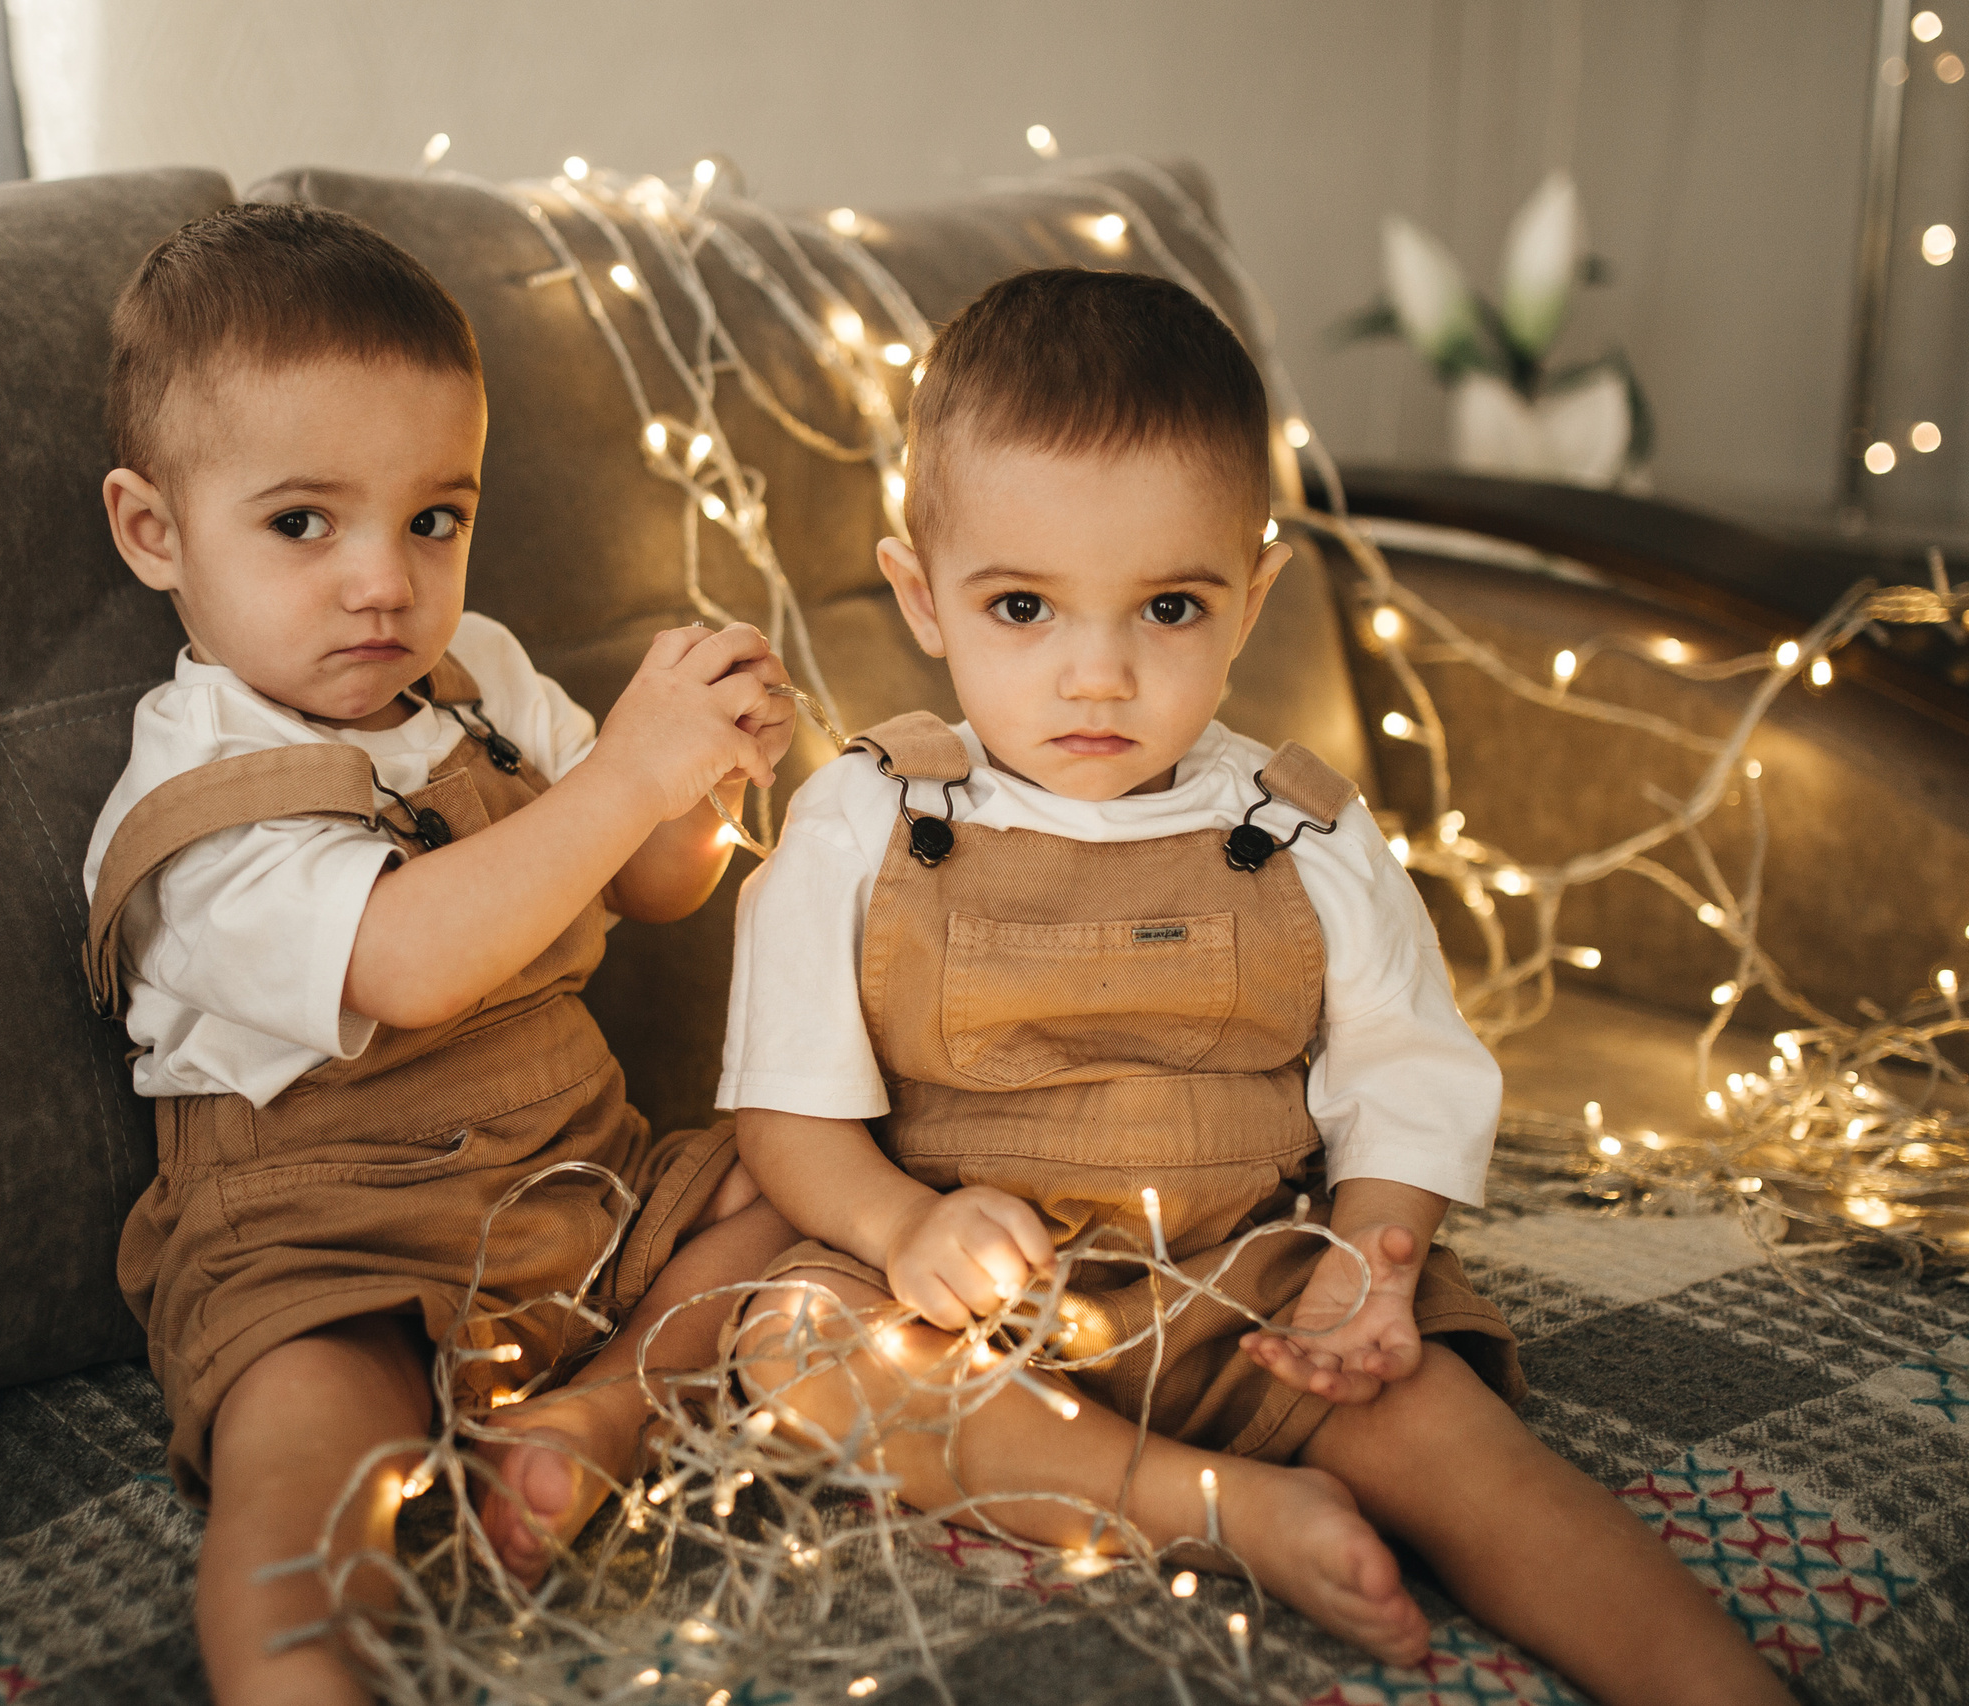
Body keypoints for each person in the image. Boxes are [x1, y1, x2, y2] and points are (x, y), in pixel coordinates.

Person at [722, 268, 1790, 1706]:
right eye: (1023, 606)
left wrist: (1371, 1263)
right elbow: (787, 1114)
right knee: (800, 1347)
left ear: (1254, 597)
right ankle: (1211, 1508)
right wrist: (898, 1224)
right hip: (968, 1307)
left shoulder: (1299, 829)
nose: (1098, 674)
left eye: (1168, 606)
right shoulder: (867, 817)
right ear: (922, 595)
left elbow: (1404, 1072)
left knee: (1462, 1446)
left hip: (1244, 1286)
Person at [81, 202, 796, 1706]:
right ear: (157, 532)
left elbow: (648, 882)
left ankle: (597, 1420)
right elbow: (408, 963)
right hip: (326, 1248)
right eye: (303, 524)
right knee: (306, 1476)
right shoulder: (190, 794)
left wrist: (700, 777)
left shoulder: (484, 679)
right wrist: (625, 775)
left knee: (806, 1179)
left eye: (434, 519)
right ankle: (303, 1673)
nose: (384, 583)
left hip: (584, 1190)